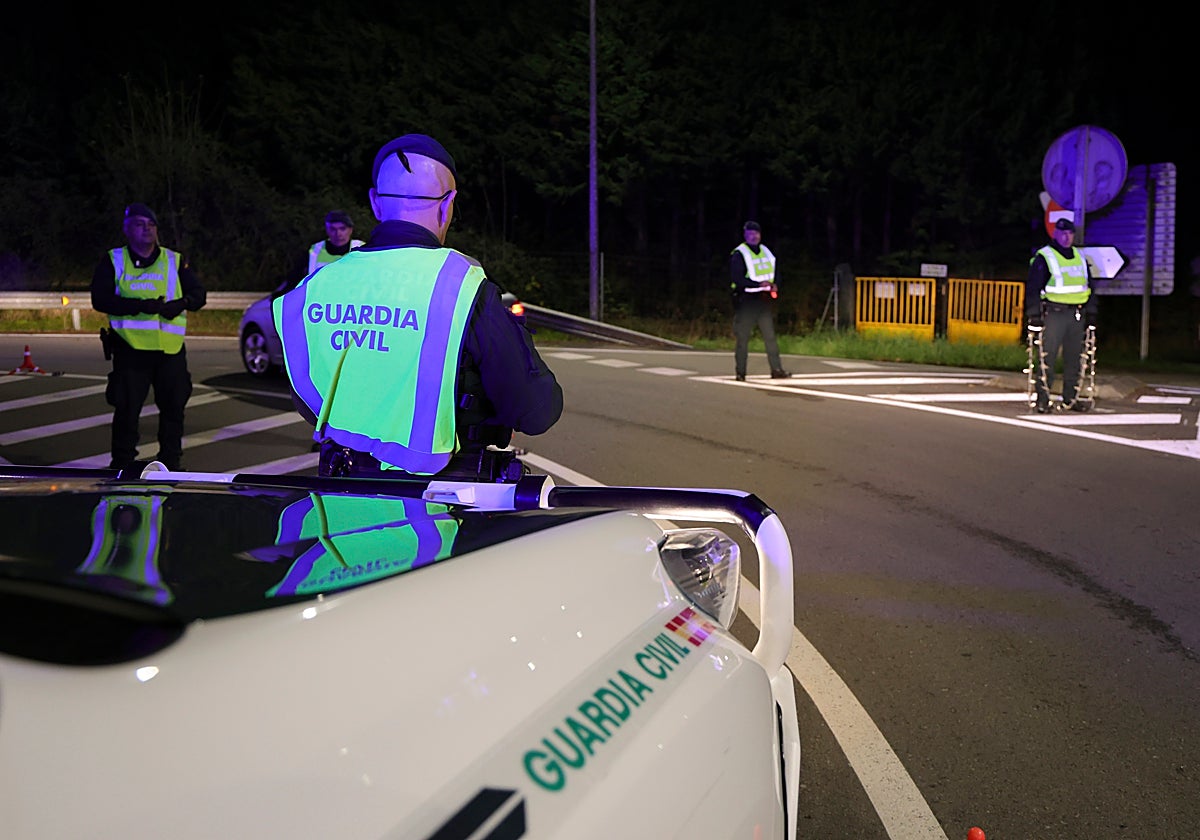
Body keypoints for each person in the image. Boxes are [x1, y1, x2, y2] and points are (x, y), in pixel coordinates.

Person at [273, 133, 563, 479]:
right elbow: (536, 410)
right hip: (437, 508)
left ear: (375, 202)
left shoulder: (312, 290)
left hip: (336, 497)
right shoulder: (461, 288)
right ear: (447, 204)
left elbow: (309, 401)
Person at [91, 203, 207, 472]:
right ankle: (122, 466)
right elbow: (101, 299)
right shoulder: (114, 260)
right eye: (140, 224)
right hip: (130, 349)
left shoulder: (174, 260)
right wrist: (141, 306)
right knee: (127, 412)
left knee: (173, 410)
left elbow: (199, 295)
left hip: (170, 351)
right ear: (127, 229)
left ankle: (171, 464)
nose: (147, 229)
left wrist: (182, 303)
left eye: (151, 225)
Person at [1024, 217, 1098, 413]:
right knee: (1046, 357)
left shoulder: (1080, 257)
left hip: (1076, 314)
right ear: (1055, 233)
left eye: (1070, 233)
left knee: (1075, 359)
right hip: (1053, 314)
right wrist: (1034, 315)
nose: (1066, 237)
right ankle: (1043, 399)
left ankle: (1071, 399)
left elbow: (1090, 287)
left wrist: (1091, 312)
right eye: (1062, 233)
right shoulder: (1045, 256)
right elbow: (1032, 287)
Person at [730, 220, 790, 381]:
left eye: (756, 233)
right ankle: (741, 373)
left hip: (763, 301)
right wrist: (757, 284)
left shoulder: (766, 251)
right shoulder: (739, 254)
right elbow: (737, 278)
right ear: (745, 235)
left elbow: (776, 271)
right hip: (747, 300)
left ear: (760, 234)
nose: (754, 236)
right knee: (743, 338)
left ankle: (776, 369)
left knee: (770, 336)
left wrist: (776, 284)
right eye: (750, 233)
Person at [307, 210, 364, 275]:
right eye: (333, 229)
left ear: (350, 230)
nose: (338, 233)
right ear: (327, 229)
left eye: (342, 229)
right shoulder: (315, 250)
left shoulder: (363, 248)